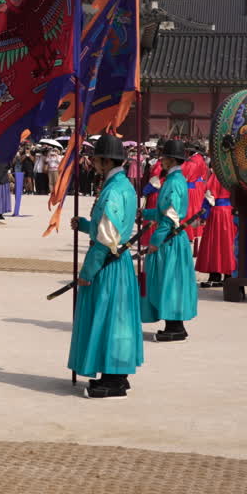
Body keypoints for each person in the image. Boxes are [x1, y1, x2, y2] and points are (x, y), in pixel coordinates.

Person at [67, 134, 142, 398]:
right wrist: (86, 225)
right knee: (117, 319)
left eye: (96, 158)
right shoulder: (124, 186)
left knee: (110, 319)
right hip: (117, 262)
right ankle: (117, 375)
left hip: (107, 265)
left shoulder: (112, 191)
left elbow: (106, 238)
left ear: (107, 160)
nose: (93, 162)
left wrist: (87, 272)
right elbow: (108, 230)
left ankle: (112, 380)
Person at [141, 139, 199, 342]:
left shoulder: (174, 182)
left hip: (169, 240)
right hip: (171, 237)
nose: (161, 160)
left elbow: (171, 215)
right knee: (170, 281)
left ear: (172, 160)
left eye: (163, 157)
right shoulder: (175, 180)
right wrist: (145, 214)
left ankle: (174, 327)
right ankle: (175, 325)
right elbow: (161, 211)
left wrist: (155, 241)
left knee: (170, 282)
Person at [195, 178, 235, 288]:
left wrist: (203, 216)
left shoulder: (216, 177)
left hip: (217, 213)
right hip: (230, 212)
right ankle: (229, 275)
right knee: (228, 244)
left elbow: (209, 197)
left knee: (215, 245)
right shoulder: (232, 175)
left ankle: (215, 275)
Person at [182, 143, 209, 246]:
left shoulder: (192, 161)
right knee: (196, 209)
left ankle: (189, 233)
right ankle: (195, 233)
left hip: (191, 187)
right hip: (198, 186)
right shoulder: (199, 159)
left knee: (189, 210)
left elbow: (185, 174)